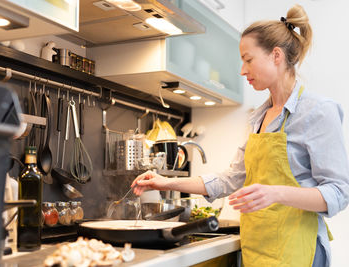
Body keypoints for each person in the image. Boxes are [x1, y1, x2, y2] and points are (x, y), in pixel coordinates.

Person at [131, 4, 349, 267]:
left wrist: (277, 193)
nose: (242, 70)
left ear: (276, 56)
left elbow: (339, 192)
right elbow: (230, 179)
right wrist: (166, 182)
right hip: (258, 248)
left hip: (298, 250)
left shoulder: (318, 111)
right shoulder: (259, 117)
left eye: (248, 59)